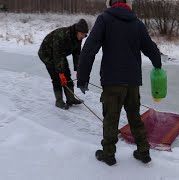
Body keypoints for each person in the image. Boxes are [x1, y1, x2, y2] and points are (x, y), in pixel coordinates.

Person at [77, 0, 162, 166]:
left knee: (111, 118)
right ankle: (143, 151)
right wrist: (157, 64)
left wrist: (82, 77)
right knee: (134, 116)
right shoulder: (137, 23)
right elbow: (150, 47)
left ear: (111, 3)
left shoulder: (105, 19)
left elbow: (89, 49)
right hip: (133, 81)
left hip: (112, 80)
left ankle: (108, 154)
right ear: (126, 4)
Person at [38, 19, 88, 109]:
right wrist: (60, 73)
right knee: (56, 77)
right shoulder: (62, 35)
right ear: (77, 31)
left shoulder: (78, 38)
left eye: (85, 35)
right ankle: (59, 101)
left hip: (60, 55)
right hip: (47, 54)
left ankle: (71, 99)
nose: (83, 36)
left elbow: (77, 54)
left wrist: (78, 69)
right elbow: (57, 54)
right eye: (82, 34)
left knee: (67, 75)